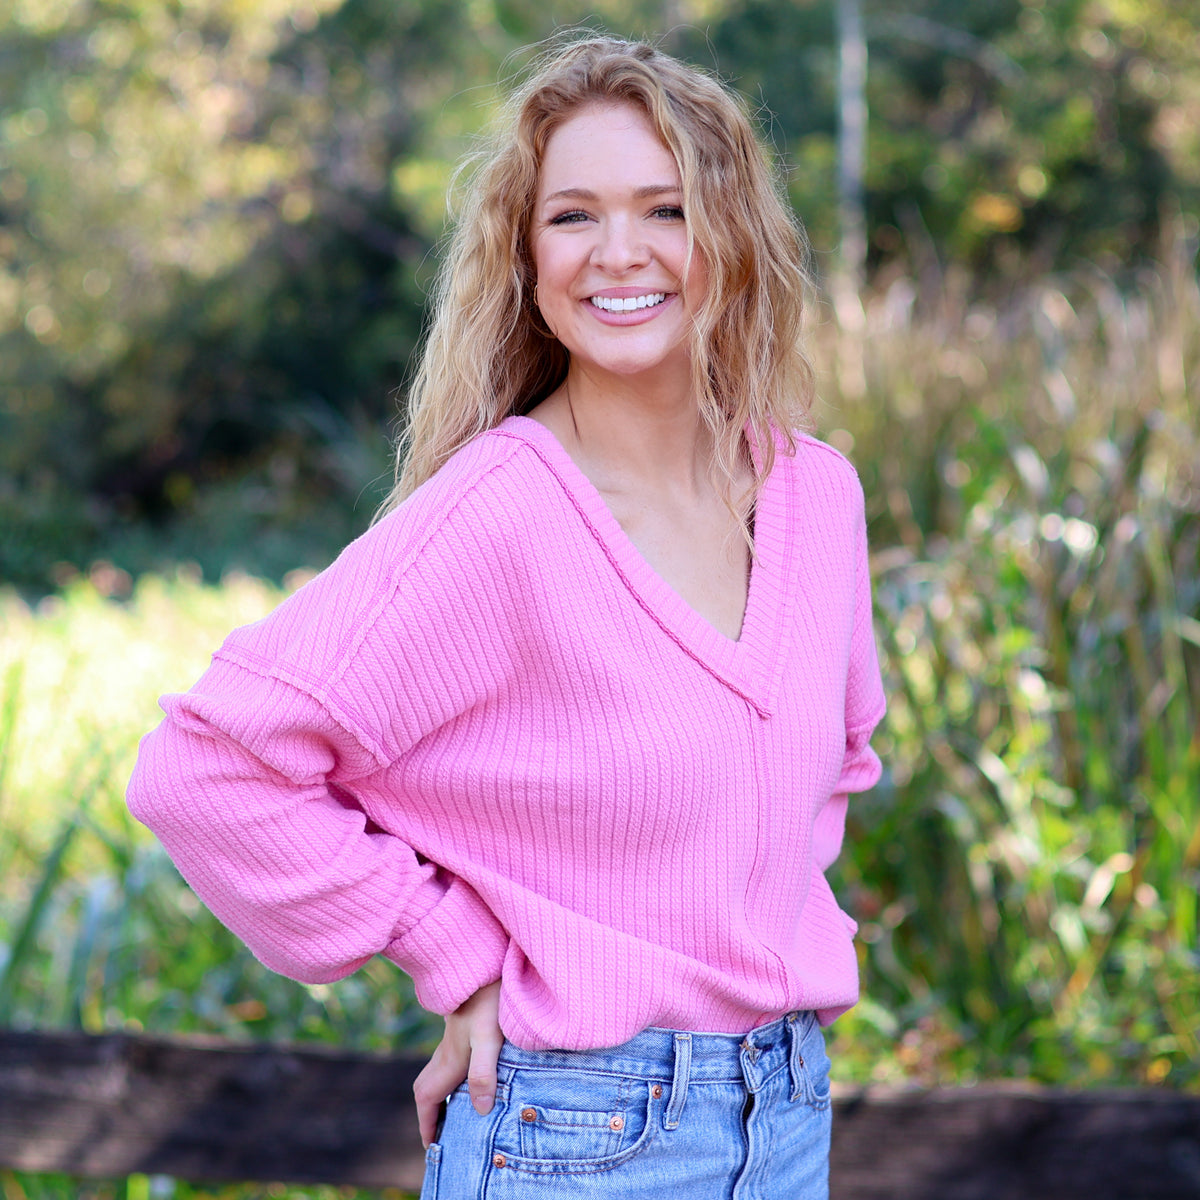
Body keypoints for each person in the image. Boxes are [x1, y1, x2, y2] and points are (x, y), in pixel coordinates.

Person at [127, 34, 885, 1199]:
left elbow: (826, 772)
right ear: (526, 255)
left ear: (731, 236)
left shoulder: (817, 497)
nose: (619, 253)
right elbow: (205, 769)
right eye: (573, 216)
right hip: (580, 1137)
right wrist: (457, 954)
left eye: (666, 209)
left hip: (786, 1118)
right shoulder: (500, 513)